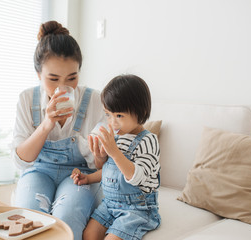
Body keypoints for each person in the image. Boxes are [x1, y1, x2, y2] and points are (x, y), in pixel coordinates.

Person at [10, 20, 106, 240]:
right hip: (39, 171)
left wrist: (99, 151)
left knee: (66, 218)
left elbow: (100, 165)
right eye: (53, 79)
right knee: (29, 219)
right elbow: (21, 161)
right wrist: (47, 124)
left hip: (81, 174)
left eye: (72, 78)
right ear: (38, 75)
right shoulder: (27, 100)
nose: (64, 87)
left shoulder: (95, 100)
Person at [71, 74, 161, 240]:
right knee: (88, 234)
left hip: (137, 209)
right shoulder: (117, 137)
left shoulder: (148, 140)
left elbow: (137, 177)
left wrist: (114, 152)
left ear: (142, 112)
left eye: (119, 116)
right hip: (110, 204)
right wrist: (90, 175)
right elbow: (109, 171)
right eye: (108, 114)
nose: (112, 123)